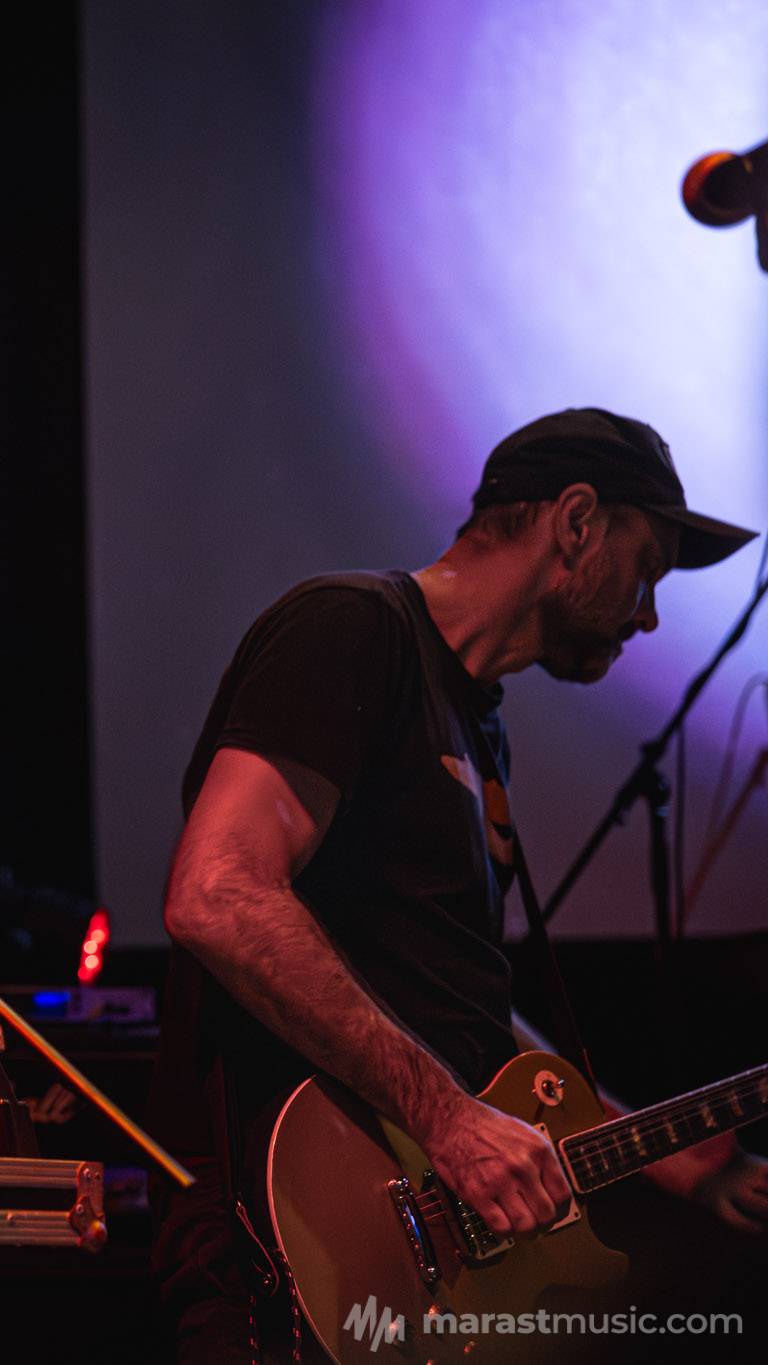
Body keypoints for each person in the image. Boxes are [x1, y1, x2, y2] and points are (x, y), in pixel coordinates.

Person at [152, 408, 768, 1360]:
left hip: (416, 1260)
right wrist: (447, 1118)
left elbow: (459, 1013)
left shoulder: (478, 723)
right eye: (646, 566)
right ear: (576, 521)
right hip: (288, 1245)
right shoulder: (352, 627)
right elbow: (217, 893)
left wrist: (675, 1158)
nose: (649, 613)